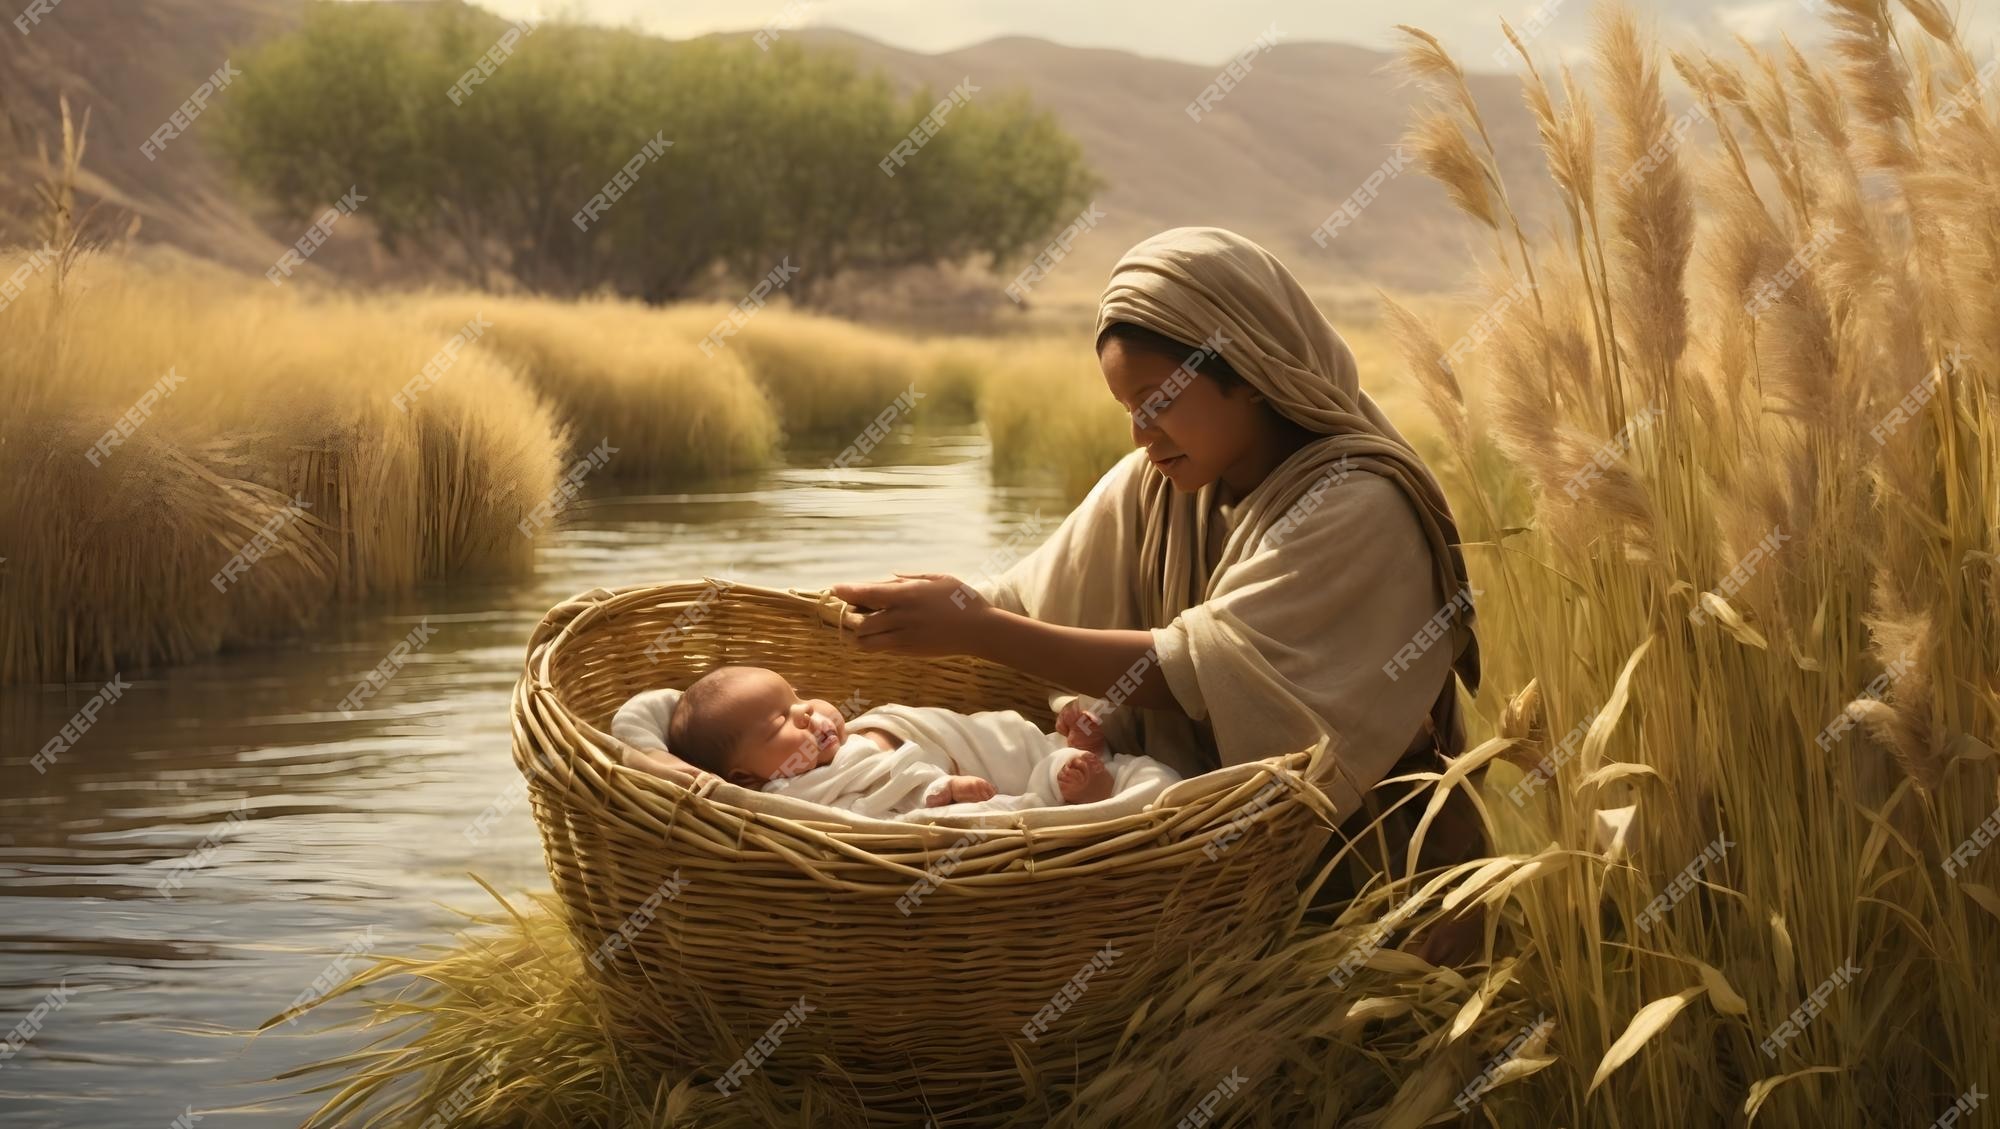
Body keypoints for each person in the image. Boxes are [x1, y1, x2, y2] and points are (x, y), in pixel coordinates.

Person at [828, 226, 1486, 937]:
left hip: (1363, 890)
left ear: (1251, 370)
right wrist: (931, 607)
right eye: (1128, 409)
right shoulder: (1167, 482)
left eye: (1158, 399)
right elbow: (1025, 596)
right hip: (1200, 876)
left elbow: (1198, 671)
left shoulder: (1361, 507)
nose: (1142, 432)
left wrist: (979, 630)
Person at [617, 665, 1180, 821]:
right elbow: (878, 812)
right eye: (781, 726)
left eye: (801, 700)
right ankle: (1073, 788)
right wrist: (943, 794)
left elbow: (908, 758)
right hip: (952, 802)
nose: (810, 717)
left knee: (1002, 737)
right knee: (997, 821)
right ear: (745, 778)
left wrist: (932, 777)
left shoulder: (852, 746)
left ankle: (1065, 758)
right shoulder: (784, 803)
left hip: (960, 765)